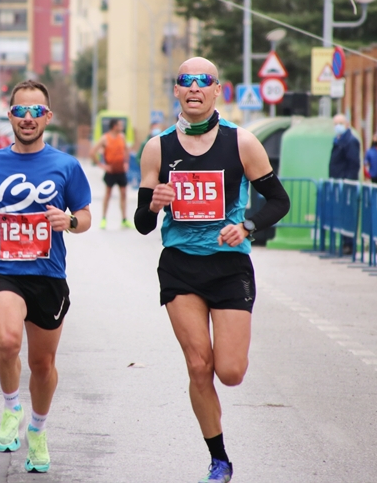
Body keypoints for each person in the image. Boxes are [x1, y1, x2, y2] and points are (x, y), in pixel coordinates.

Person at [134, 57, 290, 483]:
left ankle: (219, 448)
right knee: (199, 366)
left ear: (218, 89)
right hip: (181, 267)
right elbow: (143, 224)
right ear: (177, 91)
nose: (195, 88)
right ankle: (218, 458)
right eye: (186, 81)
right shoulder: (158, 147)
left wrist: (247, 226)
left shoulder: (242, 143)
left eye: (204, 81)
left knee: (230, 372)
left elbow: (278, 200)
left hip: (229, 267)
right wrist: (154, 203)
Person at [0, 80, 92, 474]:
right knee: (8, 341)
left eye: (36, 112)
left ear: (47, 117)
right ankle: (12, 406)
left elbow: (84, 217)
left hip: (48, 274)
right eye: (20, 111)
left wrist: (68, 220)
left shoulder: (66, 165)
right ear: (9, 114)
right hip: (2, 268)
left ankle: (38, 431)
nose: (27, 119)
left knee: (43, 364)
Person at [328, 114, 360, 253]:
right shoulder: (338, 139)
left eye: (340, 123)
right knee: (341, 212)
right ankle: (344, 242)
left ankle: (349, 244)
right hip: (338, 183)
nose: (338, 126)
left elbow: (354, 163)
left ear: (347, 124)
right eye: (335, 123)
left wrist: (348, 182)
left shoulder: (351, 141)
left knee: (347, 214)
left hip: (346, 184)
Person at [90, 118, 130, 229]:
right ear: (114, 126)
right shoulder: (105, 138)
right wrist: (102, 165)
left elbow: (126, 150)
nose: (121, 127)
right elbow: (92, 152)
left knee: (124, 194)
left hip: (121, 170)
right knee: (108, 194)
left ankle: (124, 219)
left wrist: (126, 163)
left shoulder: (122, 137)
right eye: (120, 125)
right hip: (111, 171)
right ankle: (103, 219)